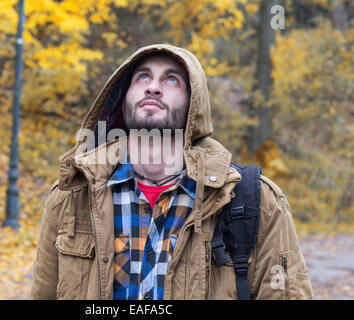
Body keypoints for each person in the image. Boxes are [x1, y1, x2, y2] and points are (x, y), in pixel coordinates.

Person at [30, 44, 313, 300]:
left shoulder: (255, 201)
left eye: (171, 79)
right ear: (123, 97)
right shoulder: (71, 196)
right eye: (142, 77)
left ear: (194, 106)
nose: (153, 87)